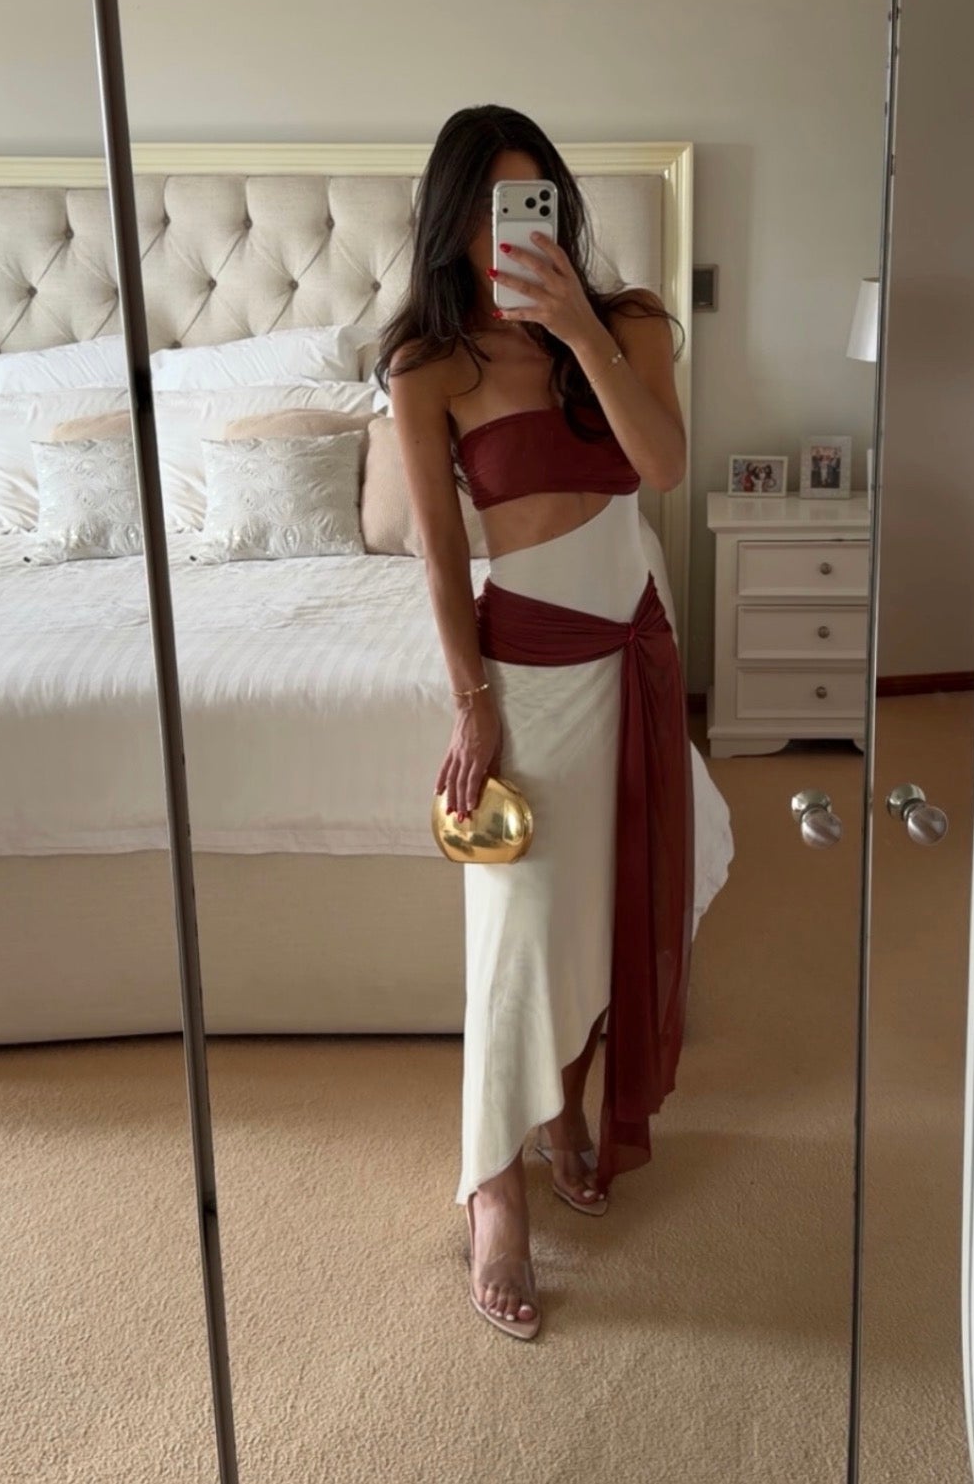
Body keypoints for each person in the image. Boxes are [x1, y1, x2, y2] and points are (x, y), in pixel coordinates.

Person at [376, 105, 694, 1341]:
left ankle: (564, 1105)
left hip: (634, 654)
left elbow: (662, 464)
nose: (513, 229)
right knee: (518, 927)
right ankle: (493, 1184)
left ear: (557, 208)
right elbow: (440, 555)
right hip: (529, 668)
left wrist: (579, 332)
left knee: (609, 903)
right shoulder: (429, 370)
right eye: (489, 208)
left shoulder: (631, 323)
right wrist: (473, 704)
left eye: (534, 201)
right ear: (452, 224)